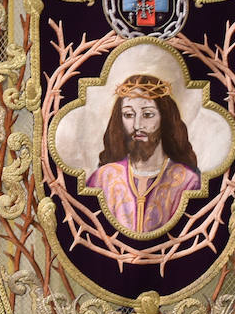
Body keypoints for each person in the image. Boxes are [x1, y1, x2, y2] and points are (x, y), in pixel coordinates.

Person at [86, 74, 201, 233]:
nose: (137, 125)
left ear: (164, 118)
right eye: (128, 115)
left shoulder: (187, 181)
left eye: (147, 114)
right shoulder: (102, 178)